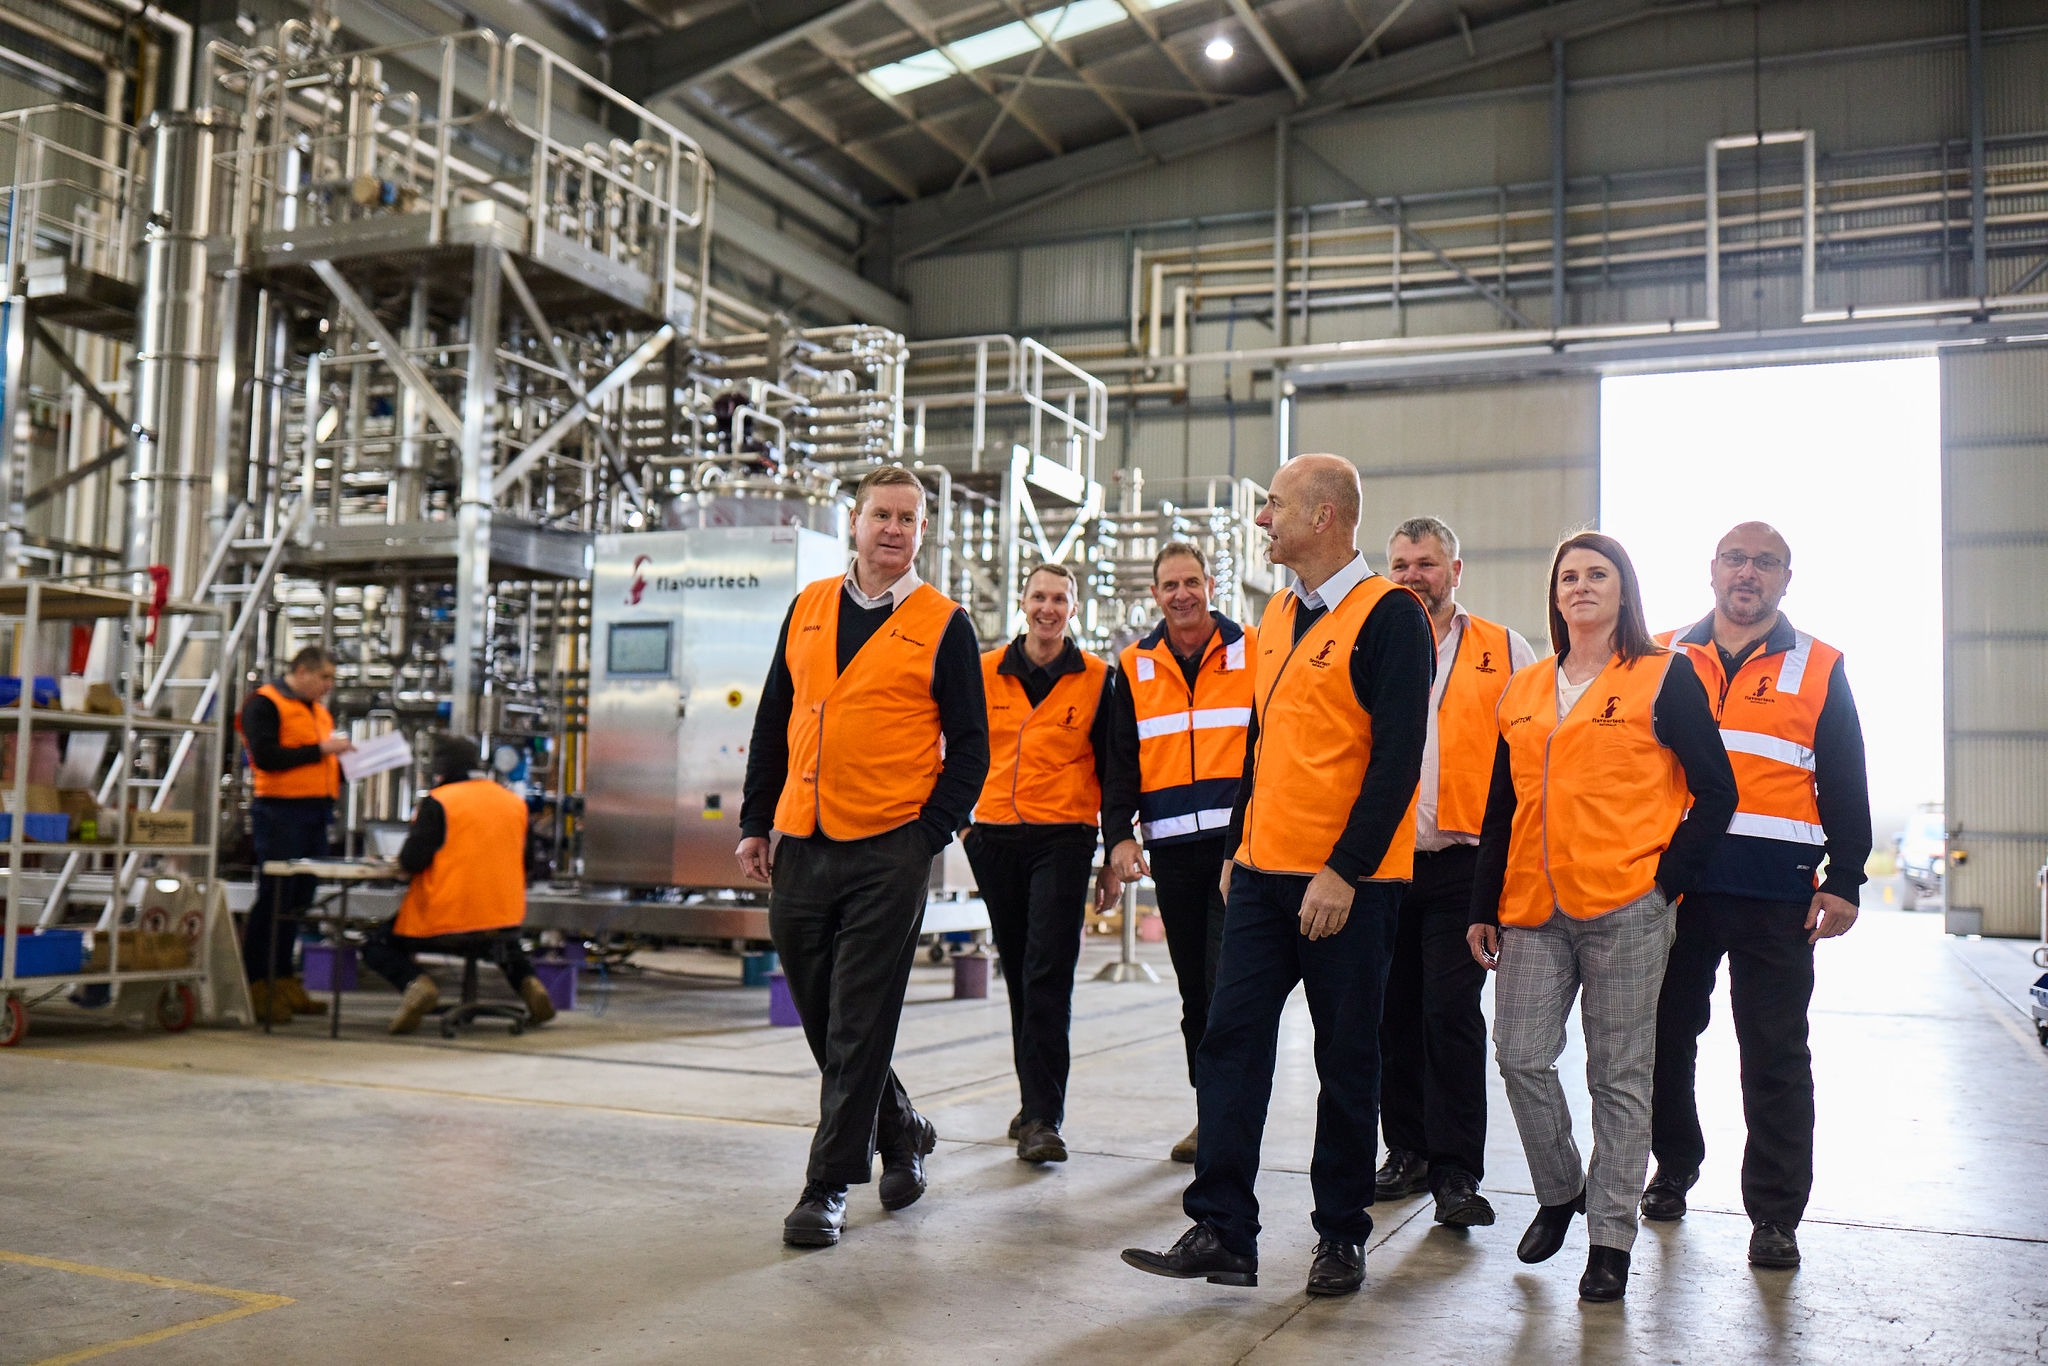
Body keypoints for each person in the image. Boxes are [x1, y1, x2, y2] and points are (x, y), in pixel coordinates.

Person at [1122, 453, 1433, 1298]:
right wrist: (1233, 849)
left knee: (1346, 1060)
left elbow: (1397, 762)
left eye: (1274, 505)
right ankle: (1223, 1229)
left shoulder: (1390, 618)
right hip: (1260, 877)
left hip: (1347, 888)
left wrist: (1342, 871)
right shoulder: (1277, 617)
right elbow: (1263, 746)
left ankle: (1340, 1236)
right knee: (1230, 1044)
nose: (1263, 519)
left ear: (1325, 516)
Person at [1466, 531, 1737, 1304]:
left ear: (1624, 591)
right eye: (1569, 577)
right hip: (1531, 908)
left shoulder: (1663, 676)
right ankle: (1560, 1190)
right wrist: (1483, 903)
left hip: (1626, 907)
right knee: (1519, 1052)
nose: (1581, 586)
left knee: (1618, 1076)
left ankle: (1609, 1242)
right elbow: (1502, 807)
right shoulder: (1522, 689)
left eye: (1598, 574)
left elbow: (1716, 792)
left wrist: (1664, 886)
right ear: (1555, 596)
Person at [737, 465, 989, 1250]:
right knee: (825, 1015)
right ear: (855, 521)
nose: (894, 529)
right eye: (882, 515)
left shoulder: (943, 622)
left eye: (909, 519)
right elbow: (775, 716)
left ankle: (826, 1185)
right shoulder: (808, 606)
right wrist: (755, 821)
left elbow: (974, 748)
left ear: (922, 532)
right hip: (801, 840)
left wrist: (927, 836)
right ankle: (901, 1124)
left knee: (859, 1016)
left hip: (889, 848)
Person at [1644, 522, 1870, 1271]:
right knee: (1663, 1039)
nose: (1749, 574)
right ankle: (1673, 1167)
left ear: (1785, 578)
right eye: (1737, 560)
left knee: (1774, 1053)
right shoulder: (1662, 650)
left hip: (1777, 895)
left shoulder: (1819, 665)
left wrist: (1846, 879)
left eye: (1765, 563)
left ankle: (1775, 1215)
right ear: (1713, 569)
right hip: (1678, 888)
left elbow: (1843, 776)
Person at [1374, 517, 1536, 1227]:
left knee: (1449, 1014)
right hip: (1380, 860)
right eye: (1402, 564)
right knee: (1391, 1015)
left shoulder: (1506, 649)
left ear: (1456, 571)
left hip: (1465, 863)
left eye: (1427, 564)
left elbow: (1531, 764)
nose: (1414, 575)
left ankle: (1457, 1173)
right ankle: (1405, 1151)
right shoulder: (1373, 642)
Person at [1101, 541, 1257, 1164]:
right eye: (1170, 585)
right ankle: (1210, 1114)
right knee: (1195, 994)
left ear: (1211, 584)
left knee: (1228, 989)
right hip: (1171, 853)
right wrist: (1118, 834)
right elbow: (1119, 762)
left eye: (1191, 581)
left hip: (1239, 852)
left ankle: (1228, 1124)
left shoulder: (1254, 649)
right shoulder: (1134, 666)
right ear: (1155, 594)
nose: (1182, 594)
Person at [965, 562, 1114, 1166]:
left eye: (1060, 599)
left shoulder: (1098, 678)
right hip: (994, 837)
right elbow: (952, 744)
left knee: (1049, 970)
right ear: (1022, 604)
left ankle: (1044, 1119)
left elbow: (1115, 766)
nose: (1048, 608)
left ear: (1073, 609)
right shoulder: (982, 672)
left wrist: (1113, 846)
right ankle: (1033, 1101)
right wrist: (964, 824)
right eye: (1038, 597)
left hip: (1064, 838)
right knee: (1022, 970)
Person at [366, 735, 556, 1034]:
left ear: (441, 770)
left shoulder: (440, 801)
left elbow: (413, 861)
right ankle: (530, 985)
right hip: (503, 915)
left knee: (377, 944)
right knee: (504, 946)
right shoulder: (513, 802)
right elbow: (529, 862)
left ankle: (417, 986)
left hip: (447, 915)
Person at [239, 646, 353, 1025]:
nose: (329, 686)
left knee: (301, 898)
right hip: (280, 812)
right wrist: (322, 750)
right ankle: (257, 983)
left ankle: (284, 980)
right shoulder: (265, 704)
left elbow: (318, 761)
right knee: (275, 898)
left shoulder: (317, 711)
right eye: (325, 677)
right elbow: (266, 756)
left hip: (314, 813)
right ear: (301, 671)